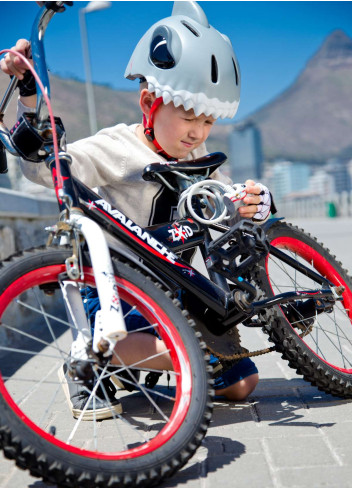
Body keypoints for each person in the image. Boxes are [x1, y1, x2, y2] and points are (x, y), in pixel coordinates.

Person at [1, 1, 272, 419]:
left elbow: (222, 207)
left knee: (242, 386)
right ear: (149, 103)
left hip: (173, 288)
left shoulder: (197, 154)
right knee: (185, 351)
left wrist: (251, 203)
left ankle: (156, 366)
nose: (197, 131)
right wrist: (28, 92)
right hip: (116, 288)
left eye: (207, 121)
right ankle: (94, 356)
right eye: (186, 116)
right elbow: (48, 167)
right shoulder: (116, 146)